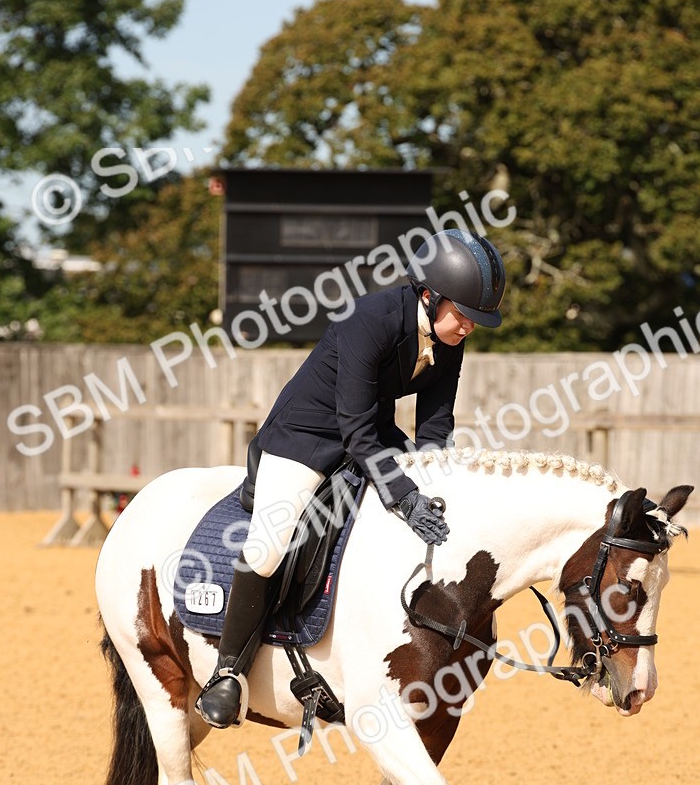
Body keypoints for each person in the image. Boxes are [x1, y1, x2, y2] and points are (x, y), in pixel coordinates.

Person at [196, 227, 507, 729]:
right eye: (465, 314)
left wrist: (430, 480)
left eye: (476, 320)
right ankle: (228, 672)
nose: (469, 327)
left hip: (370, 434)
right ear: (430, 294)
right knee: (270, 543)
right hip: (305, 438)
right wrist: (404, 496)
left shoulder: (448, 336)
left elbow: (434, 424)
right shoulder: (369, 320)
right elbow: (356, 432)